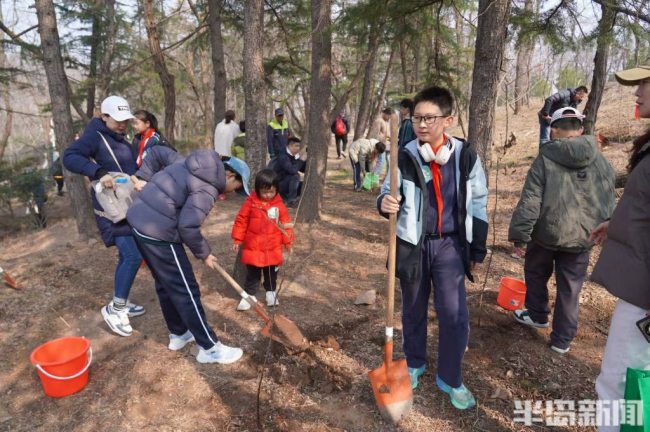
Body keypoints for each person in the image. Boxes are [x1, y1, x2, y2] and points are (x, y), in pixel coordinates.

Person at [377, 86, 488, 410]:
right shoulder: (404, 154)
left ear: (448, 119)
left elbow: (479, 201)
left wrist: (476, 247)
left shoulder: (465, 156)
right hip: (412, 245)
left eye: (429, 118)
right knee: (412, 308)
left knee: (454, 315)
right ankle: (414, 363)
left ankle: (451, 378)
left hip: (450, 245)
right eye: (417, 118)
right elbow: (386, 190)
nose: (422, 124)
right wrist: (383, 202)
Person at [508, 107, 615, 354]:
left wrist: (520, 236)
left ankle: (537, 315)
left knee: (535, 273)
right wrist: (605, 225)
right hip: (582, 237)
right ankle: (561, 341)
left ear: (554, 130)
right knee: (570, 289)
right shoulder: (600, 159)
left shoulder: (545, 158)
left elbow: (531, 200)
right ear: (579, 129)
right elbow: (608, 197)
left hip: (546, 235)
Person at [126, 151, 250, 364]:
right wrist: (204, 253)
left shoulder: (193, 163)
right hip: (159, 231)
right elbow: (188, 226)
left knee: (165, 284)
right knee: (186, 289)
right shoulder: (208, 186)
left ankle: (179, 333)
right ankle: (210, 348)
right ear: (230, 175)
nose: (233, 192)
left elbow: (162, 159)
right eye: (237, 187)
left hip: (139, 220)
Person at [591, 64, 650, 432]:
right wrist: (617, 225)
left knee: (619, 382)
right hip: (639, 282)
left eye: (644, 84)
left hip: (644, 295)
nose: (637, 92)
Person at [63, 95, 145, 337]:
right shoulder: (94, 136)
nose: (122, 124)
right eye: (117, 119)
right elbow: (70, 157)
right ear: (104, 116)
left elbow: (127, 166)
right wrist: (97, 171)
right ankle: (115, 309)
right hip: (111, 208)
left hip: (128, 203)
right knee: (132, 254)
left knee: (127, 255)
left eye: (125, 120)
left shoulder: (119, 137)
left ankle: (123, 299)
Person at [231, 169, 294, 311]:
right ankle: (249, 296)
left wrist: (288, 242)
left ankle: (270, 293)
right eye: (264, 192)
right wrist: (237, 239)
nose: (268, 195)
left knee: (271, 273)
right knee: (252, 274)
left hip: (273, 248)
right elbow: (241, 221)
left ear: (276, 190)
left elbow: (285, 225)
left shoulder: (279, 206)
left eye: (271, 192)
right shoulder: (250, 203)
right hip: (254, 247)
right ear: (257, 189)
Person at [273, 136, 306, 207]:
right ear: (290, 146)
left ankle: (290, 197)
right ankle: (291, 201)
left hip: (286, 183)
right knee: (295, 176)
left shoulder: (292, 155)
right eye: (296, 146)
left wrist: (305, 160)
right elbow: (292, 170)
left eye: (299, 146)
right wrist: (301, 160)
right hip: (278, 185)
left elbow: (302, 169)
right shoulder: (283, 156)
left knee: (304, 184)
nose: (298, 148)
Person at [369, 107, 392, 175]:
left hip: (388, 145)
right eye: (389, 116)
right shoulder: (379, 121)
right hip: (381, 146)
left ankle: (387, 179)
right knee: (380, 162)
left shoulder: (388, 122)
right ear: (385, 113)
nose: (389, 118)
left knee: (389, 163)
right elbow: (375, 134)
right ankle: (373, 178)